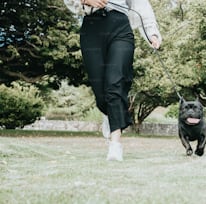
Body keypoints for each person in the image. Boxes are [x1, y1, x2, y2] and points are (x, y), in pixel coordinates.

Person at [64, 0, 162, 161]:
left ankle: (115, 144)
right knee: (101, 92)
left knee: (114, 82)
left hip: (120, 28)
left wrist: (152, 33)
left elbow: (141, 6)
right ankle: (111, 113)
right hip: (92, 28)